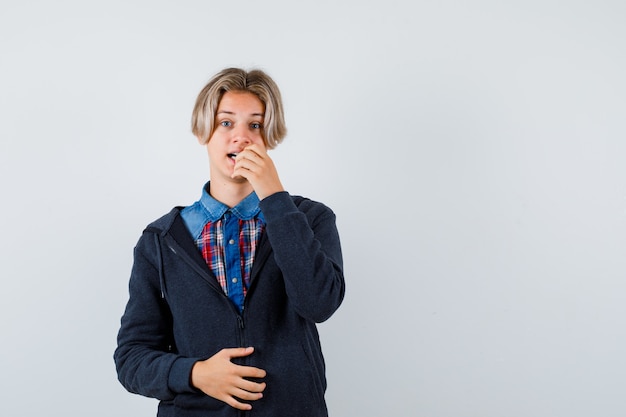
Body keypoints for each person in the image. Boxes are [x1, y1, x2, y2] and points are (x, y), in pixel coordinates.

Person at [114, 67, 346, 417]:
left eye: (255, 125)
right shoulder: (161, 241)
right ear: (203, 131)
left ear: (269, 137)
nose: (241, 137)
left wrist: (274, 196)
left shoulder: (310, 219)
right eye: (226, 123)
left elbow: (319, 304)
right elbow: (131, 358)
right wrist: (196, 374)